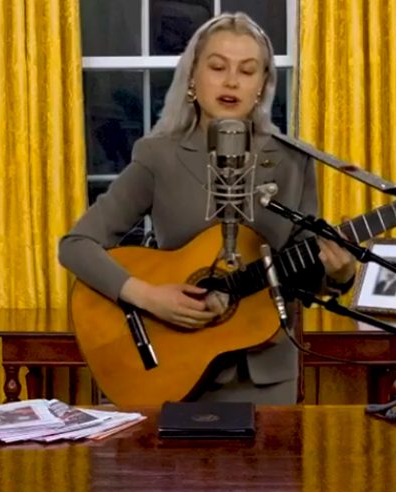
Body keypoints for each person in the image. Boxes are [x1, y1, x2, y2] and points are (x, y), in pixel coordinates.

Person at [58, 12, 356, 405]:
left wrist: (340, 274)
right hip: (172, 368)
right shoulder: (157, 157)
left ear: (262, 86)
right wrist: (146, 296)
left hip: (265, 377)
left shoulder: (292, 161)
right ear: (193, 79)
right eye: (218, 67)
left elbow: (304, 272)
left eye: (247, 71)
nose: (231, 81)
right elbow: (76, 245)